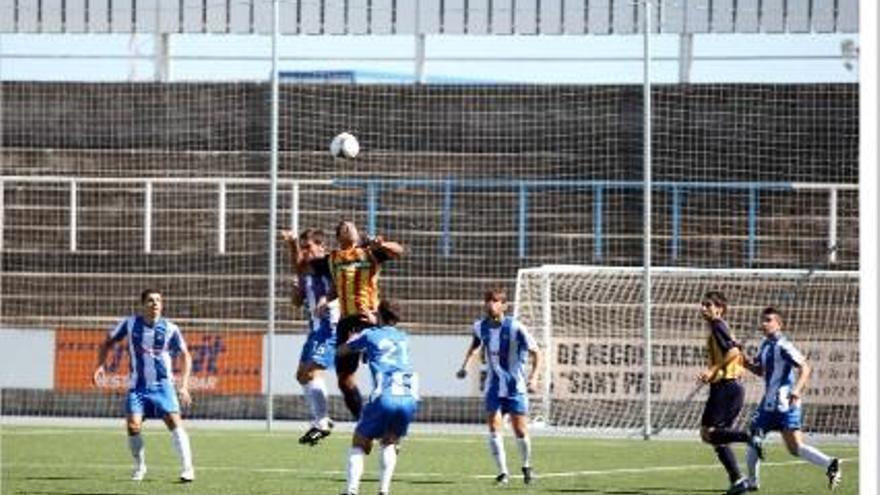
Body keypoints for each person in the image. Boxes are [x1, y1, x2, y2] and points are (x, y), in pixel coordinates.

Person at [93, 288, 195, 482]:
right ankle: (140, 467)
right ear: (141, 305)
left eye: (158, 300)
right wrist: (100, 366)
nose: (155, 304)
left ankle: (188, 469)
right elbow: (107, 342)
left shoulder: (171, 328)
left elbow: (185, 355)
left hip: (163, 386)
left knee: (174, 423)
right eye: (150, 300)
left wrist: (183, 386)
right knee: (133, 426)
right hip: (138, 387)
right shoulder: (130, 324)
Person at [743, 306, 842, 491]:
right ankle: (753, 481)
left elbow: (805, 367)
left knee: (788, 446)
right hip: (769, 402)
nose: (763, 324)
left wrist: (796, 390)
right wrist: (745, 363)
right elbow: (760, 370)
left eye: (768, 320)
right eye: (762, 320)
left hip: (784, 403)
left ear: (779, 324)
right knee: (763, 440)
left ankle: (830, 463)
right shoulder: (765, 345)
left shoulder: (784, 345)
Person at [456, 287, 542, 486]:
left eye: (494, 301)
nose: (490, 304)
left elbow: (537, 352)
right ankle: (503, 472)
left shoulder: (516, 328)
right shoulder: (480, 326)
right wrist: (465, 367)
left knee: (520, 430)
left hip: (515, 387)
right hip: (494, 387)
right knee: (494, 428)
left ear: (504, 305)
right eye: (488, 300)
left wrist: (534, 377)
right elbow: (476, 345)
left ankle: (526, 465)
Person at [325, 220, 404, 420]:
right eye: (343, 227)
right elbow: (336, 286)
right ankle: (361, 419)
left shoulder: (369, 252)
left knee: (380, 371)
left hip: (367, 318)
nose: (348, 228)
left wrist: (382, 245)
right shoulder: (333, 258)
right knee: (344, 380)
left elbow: (399, 251)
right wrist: (324, 300)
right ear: (337, 237)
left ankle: (390, 412)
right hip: (345, 321)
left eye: (351, 226)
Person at [338, 299, 419, 495]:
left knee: (359, 442)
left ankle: (351, 491)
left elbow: (342, 351)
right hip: (409, 397)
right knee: (389, 441)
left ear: (380, 314)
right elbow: (384, 341)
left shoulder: (369, 335)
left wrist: (352, 337)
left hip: (385, 396)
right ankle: (383, 490)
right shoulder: (403, 337)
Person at [282, 228, 339, 446]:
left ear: (321, 247)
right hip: (315, 329)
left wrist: (327, 298)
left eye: (308, 247)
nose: (305, 252)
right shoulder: (305, 272)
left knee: (312, 372)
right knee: (301, 375)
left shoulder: (329, 264)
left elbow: (340, 285)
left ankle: (322, 421)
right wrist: (296, 289)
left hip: (330, 326)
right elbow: (296, 303)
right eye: (303, 248)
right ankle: (322, 418)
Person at [697, 290, 756, 495]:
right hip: (731, 387)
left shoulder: (717, 325)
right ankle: (738, 481)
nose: (703, 308)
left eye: (708, 305)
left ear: (719, 309)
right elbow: (738, 350)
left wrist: (712, 370)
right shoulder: (722, 327)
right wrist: (752, 367)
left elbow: (732, 351)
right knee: (717, 437)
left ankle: (749, 436)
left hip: (726, 387)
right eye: (703, 304)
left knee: (709, 433)